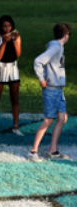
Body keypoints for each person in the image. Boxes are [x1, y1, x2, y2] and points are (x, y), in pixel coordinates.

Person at [28, 23, 72, 162]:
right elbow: (38, 61)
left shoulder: (57, 46)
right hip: (52, 89)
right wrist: (41, 78)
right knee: (49, 119)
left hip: (58, 89)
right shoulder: (56, 47)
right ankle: (33, 151)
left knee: (62, 118)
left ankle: (53, 150)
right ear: (66, 35)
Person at [0, 15, 23, 137]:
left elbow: (18, 54)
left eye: (9, 26)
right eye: (4, 26)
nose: (7, 29)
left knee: (15, 99)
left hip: (13, 67)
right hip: (1, 68)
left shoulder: (16, 37)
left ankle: (16, 127)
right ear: (0, 27)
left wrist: (14, 41)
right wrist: (4, 42)